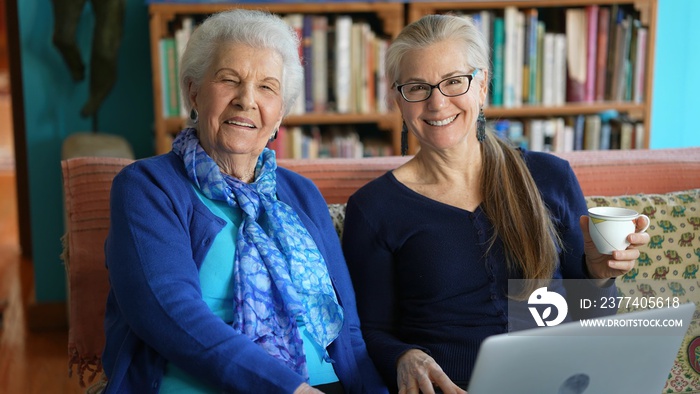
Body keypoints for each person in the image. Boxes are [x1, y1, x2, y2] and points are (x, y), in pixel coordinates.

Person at [341, 14, 650, 394]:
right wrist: (404, 356)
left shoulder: (549, 178)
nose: (437, 103)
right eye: (417, 87)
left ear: (482, 84)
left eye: (454, 81)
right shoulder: (374, 209)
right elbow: (370, 331)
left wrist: (599, 276)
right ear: (398, 99)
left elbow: (591, 313)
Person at [101, 9, 386, 394]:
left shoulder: (302, 193)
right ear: (193, 92)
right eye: (229, 79)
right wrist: (289, 389)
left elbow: (348, 330)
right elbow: (167, 312)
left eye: (267, 87)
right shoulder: (148, 187)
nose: (246, 100)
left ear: (280, 113)